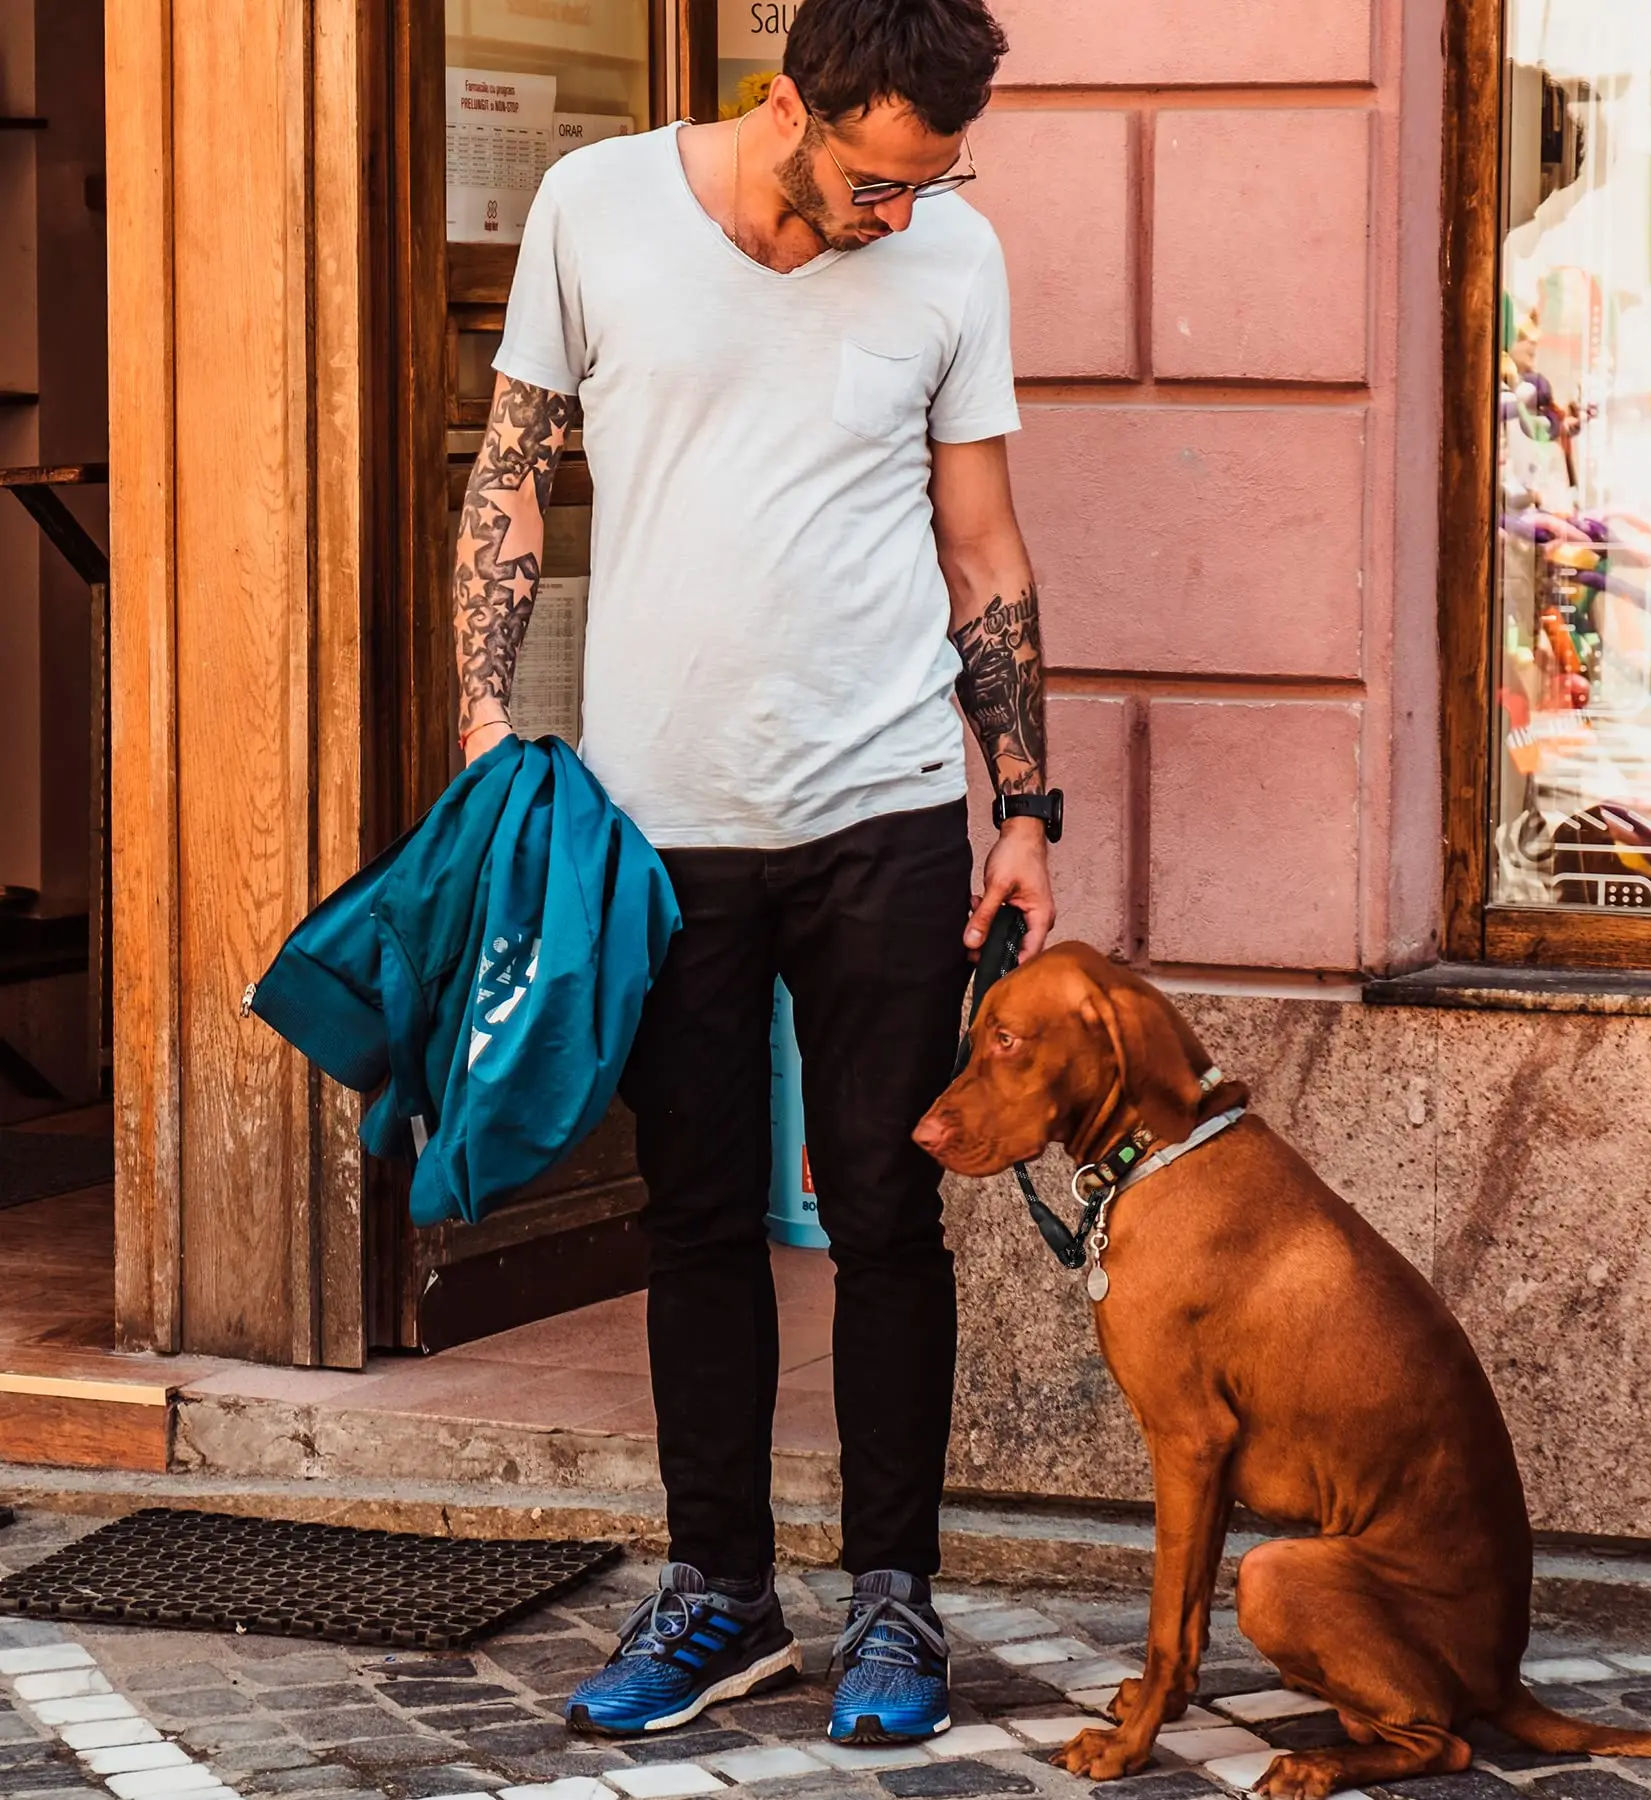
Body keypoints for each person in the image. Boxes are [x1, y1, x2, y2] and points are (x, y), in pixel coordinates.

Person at [452, 0, 1060, 1747]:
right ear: (789, 102)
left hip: (879, 814)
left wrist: (1025, 805)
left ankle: (893, 1601)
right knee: (698, 1214)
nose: (900, 215)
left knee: (884, 1210)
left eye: (933, 184)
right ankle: (721, 1596)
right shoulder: (594, 206)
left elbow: (981, 539)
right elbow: (514, 474)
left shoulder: (955, 255)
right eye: (878, 180)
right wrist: (490, 723)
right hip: (662, 827)